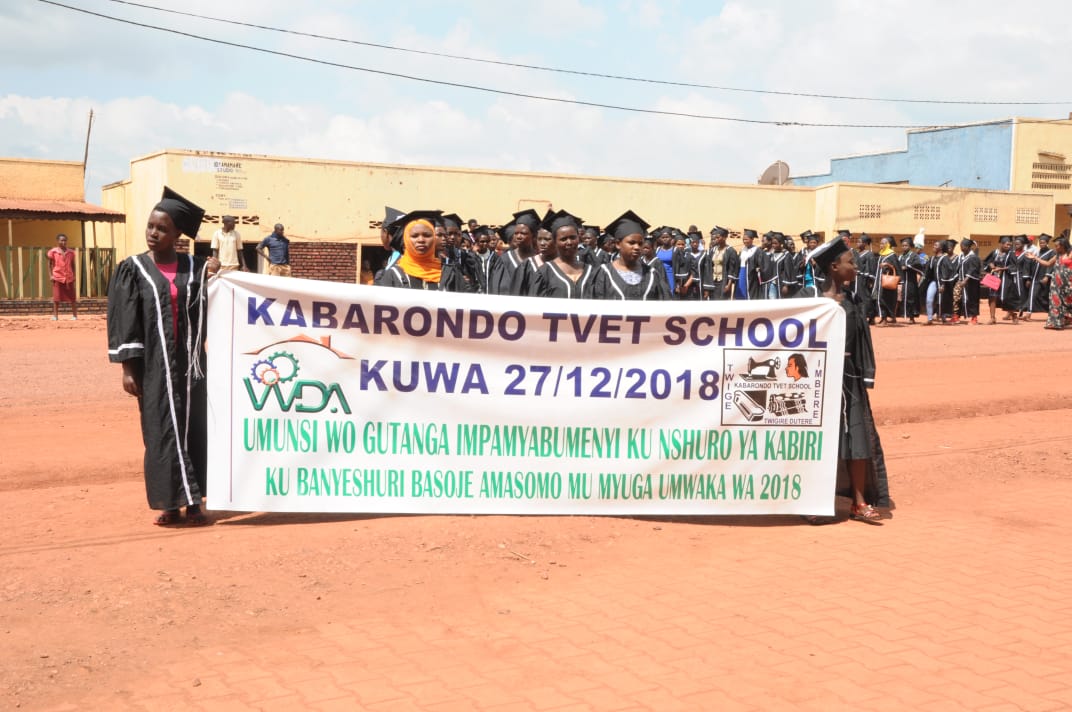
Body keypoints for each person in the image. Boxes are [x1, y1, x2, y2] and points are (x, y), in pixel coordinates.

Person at [107, 187, 220, 527]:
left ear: (177, 235)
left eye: (162, 229)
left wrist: (214, 273)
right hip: (154, 367)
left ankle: (195, 504)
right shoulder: (133, 269)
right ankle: (170, 504)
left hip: (191, 367)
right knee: (159, 432)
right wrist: (128, 368)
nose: (153, 233)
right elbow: (124, 320)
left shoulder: (195, 267)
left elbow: (213, 301)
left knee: (194, 429)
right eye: (150, 226)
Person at [804, 237, 891, 524]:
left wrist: (865, 371)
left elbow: (863, 339)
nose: (855, 267)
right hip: (815, 383)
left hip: (849, 380)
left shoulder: (852, 300)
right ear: (833, 266)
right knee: (819, 442)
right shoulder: (808, 299)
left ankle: (859, 502)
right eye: (850, 263)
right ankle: (817, 501)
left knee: (857, 441)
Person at [375, 210, 463, 291]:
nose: (421, 240)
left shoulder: (451, 273)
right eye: (414, 236)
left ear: (434, 238)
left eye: (427, 235)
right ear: (406, 240)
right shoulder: (392, 275)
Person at [593, 211, 671, 301]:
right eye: (631, 243)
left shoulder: (652, 274)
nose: (637, 247)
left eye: (640, 243)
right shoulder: (604, 273)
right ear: (618, 244)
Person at [532, 210, 596, 298]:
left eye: (573, 237)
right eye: (563, 239)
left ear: (579, 238)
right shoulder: (544, 273)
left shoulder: (591, 272)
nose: (569, 242)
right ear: (554, 242)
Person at [1028, 237, 1072, 330]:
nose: (1055, 248)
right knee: (1055, 302)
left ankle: (1067, 319)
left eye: (1057, 246)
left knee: (1067, 302)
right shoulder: (1057, 255)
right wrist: (1035, 257)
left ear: (1063, 245)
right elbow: (1047, 263)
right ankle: (1055, 323)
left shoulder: (1070, 254)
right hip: (1056, 283)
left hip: (1068, 283)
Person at [702, 226, 739, 300]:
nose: (716, 239)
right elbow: (709, 267)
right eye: (715, 238)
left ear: (724, 238)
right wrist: (707, 286)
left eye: (718, 238)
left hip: (723, 282)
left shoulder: (730, 251)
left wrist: (728, 285)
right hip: (713, 282)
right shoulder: (713, 250)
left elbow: (732, 269)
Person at [47, 233, 78, 320]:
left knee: (72, 298)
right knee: (56, 298)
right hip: (57, 277)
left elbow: (73, 265)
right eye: (61, 240)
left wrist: (74, 275)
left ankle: (74, 315)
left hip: (69, 277)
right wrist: (51, 276)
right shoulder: (53, 252)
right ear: (58, 241)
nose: (63, 242)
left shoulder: (71, 252)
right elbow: (49, 264)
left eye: (65, 240)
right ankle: (55, 316)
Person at [873, 236, 901, 325]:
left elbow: (896, 268)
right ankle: (883, 318)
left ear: (887, 244)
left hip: (887, 280)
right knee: (880, 298)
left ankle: (885, 319)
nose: (880, 245)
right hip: (879, 280)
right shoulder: (881, 254)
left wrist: (887, 264)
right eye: (880, 243)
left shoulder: (892, 255)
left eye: (882, 243)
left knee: (884, 299)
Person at [954, 238, 981, 324]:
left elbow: (972, 269)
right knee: (958, 299)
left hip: (971, 283)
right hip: (961, 281)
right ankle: (956, 316)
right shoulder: (961, 256)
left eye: (963, 246)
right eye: (961, 245)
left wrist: (965, 280)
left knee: (972, 299)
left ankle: (974, 318)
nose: (961, 247)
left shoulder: (973, 257)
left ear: (968, 247)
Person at [897, 237, 923, 324]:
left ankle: (911, 317)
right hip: (902, 280)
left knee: (910, 298)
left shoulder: (914, 255)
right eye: (903, 245)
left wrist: (908, 267)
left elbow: (919, 266)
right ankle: (904, 315)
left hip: (911, 281)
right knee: (902, 298)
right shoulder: (900, 256)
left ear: (910, 246)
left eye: (906, 245)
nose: (904, 247)